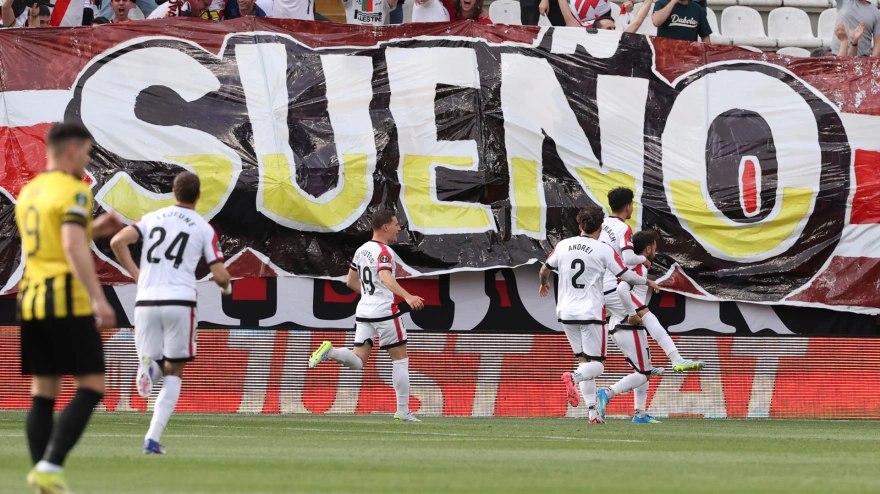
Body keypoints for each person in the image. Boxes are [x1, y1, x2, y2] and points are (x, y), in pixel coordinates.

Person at [16, 122, 123, 493]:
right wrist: (98, 300)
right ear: (73, 151)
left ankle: (42, 474)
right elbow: (73, 247)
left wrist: (95, 230)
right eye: (88, 152)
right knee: (92, 385)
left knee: (44, 391)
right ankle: (50, 464)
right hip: (65, 298)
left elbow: (57, 240)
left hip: (31, 299)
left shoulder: (29, 192)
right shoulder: (76, 192)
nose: (89, 160)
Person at [110, 172, 232, 454]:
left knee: (155, 363)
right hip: (180, 301)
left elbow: (118, 241)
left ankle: (147, 371)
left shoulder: (153, 218)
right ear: (198, 196)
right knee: (174, 370)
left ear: (173, 193)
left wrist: (137, 274)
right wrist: (226, 289)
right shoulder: (203, 228)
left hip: (146, 299)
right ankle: (152, 438)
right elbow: (220, 274)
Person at [538, 205, 657, 424]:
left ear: (580, 225)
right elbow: (626, 276)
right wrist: (646, 280)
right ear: (600, 228)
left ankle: (592, 412)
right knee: (596, 365)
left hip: (565, 312)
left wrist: (543, 284)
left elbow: (544, 269)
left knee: (585, 361)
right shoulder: (604, 249)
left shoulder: (563, 245)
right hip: (591, 312)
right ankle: (572, 377)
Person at [308, 210, 426, 422]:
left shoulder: (361, 250)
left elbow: (350, 282)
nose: (399, 228)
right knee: (400, 361)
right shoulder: (384, 251)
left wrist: (371, 295)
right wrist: (407, 296)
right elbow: (384, 275)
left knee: (359, 361)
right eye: (396, 224)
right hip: (384, 311)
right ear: (385, 227)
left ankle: (331, 351)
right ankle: (402, 411)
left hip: (364, 311)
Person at [599, 187, 703, 374]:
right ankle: (676, 359)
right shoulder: (623, 228)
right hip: (612, 285)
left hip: (598, 287)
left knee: (627, 325)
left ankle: (642, 367)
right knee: (647, 317)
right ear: (628, 206)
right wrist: (644, 260)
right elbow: (629, 258)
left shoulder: (603, 224)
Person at [597, 230, 665, 424]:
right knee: (644, 372)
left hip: (621, 322)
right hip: (627, 323)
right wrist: (632, 314)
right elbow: (622, 289)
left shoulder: (627, 264)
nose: (656, 252)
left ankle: (640, 413)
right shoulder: (637, 268)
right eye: (655, 248)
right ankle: (607, 393)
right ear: (649, 249)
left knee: (644, 370)